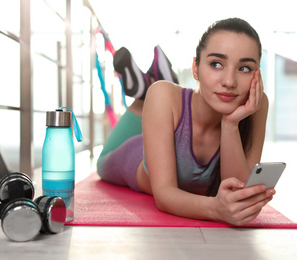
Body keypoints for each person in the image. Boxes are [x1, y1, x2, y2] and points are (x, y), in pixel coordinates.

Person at [97, 18, 271, 226]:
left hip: (168, 115)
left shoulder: (256, 106)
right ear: (195, 69)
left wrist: (231, 124)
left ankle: (146, 85)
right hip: (133, 155)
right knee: (102, 164)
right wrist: (216, 209)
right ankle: (145, 92)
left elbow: (238, 194)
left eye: (244, 68)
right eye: (216, 64)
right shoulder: (163, 96)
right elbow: (164, 195)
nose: (229, 82)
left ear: (257, 75)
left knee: (159, 98)